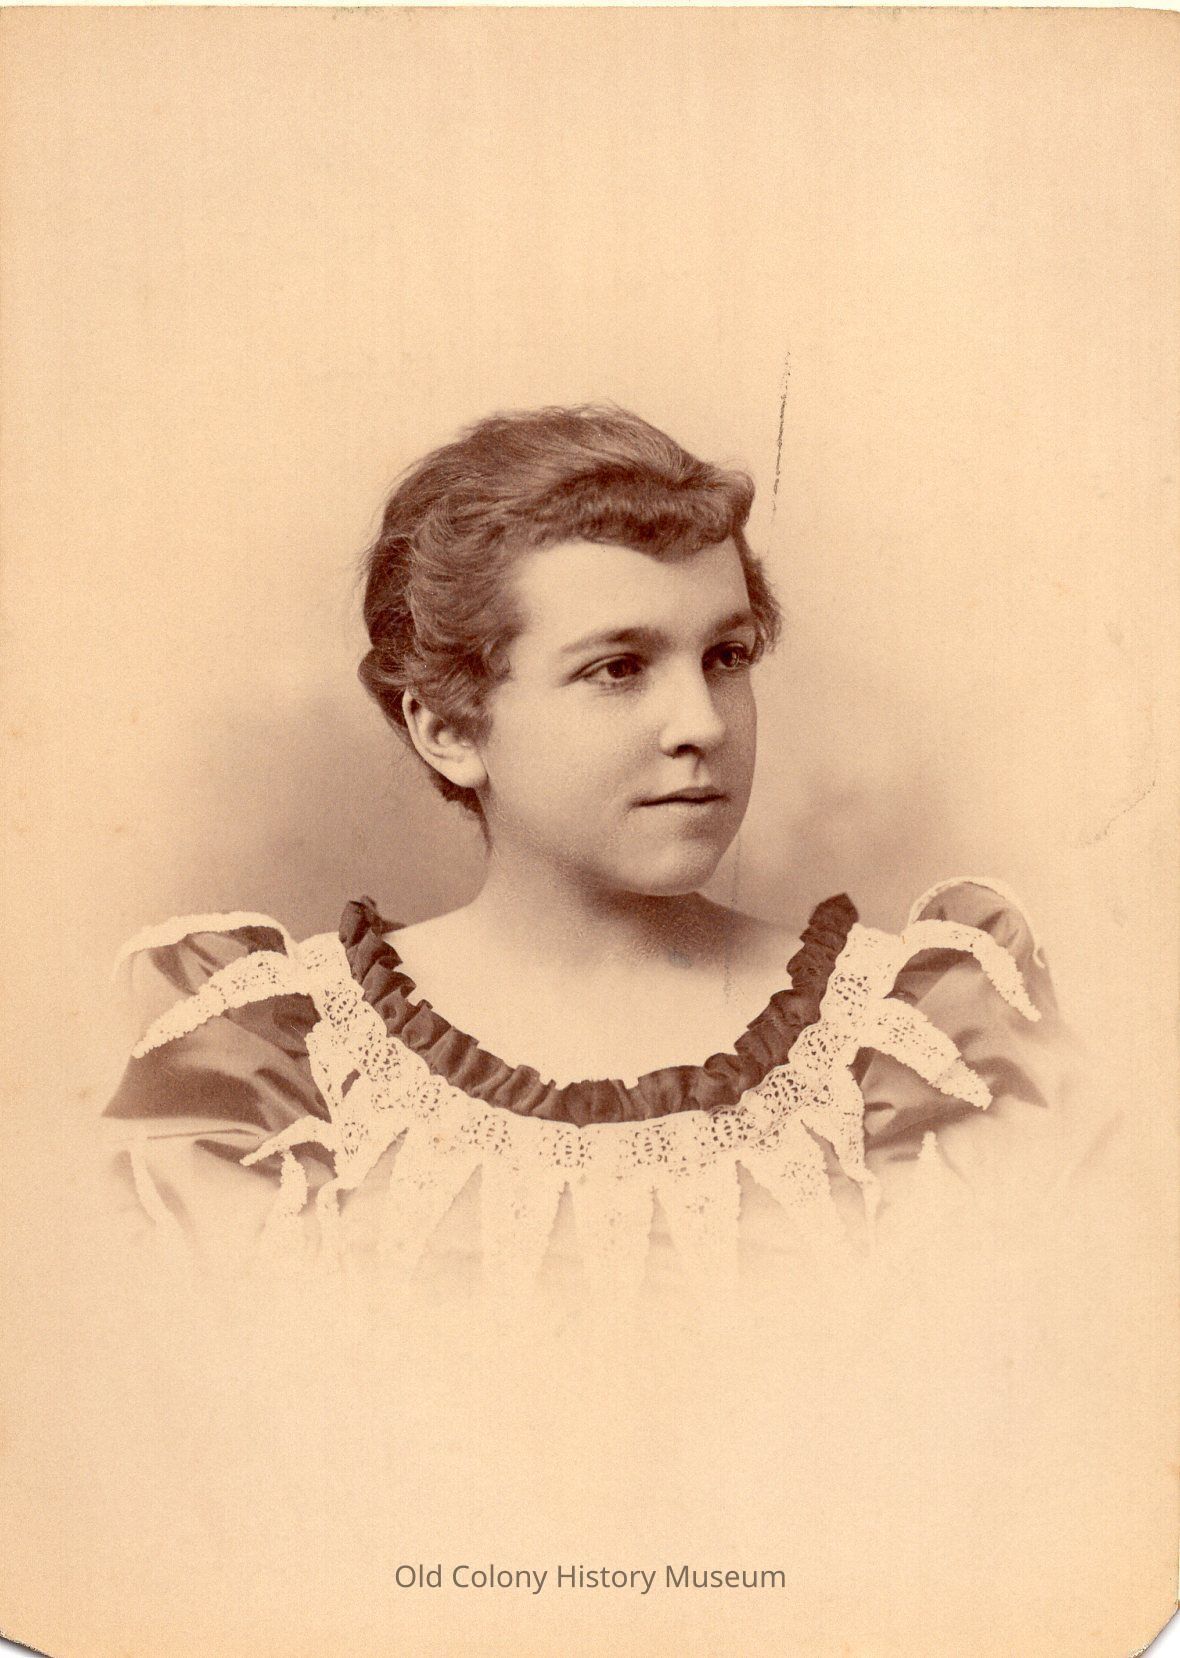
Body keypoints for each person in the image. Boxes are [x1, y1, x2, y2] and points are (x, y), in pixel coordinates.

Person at [99, 404, 1093, 1303]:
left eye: (726, 656)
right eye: (618, 668)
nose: (701, 723)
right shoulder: (279, 1066)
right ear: (449, 727)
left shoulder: (915, 1042)